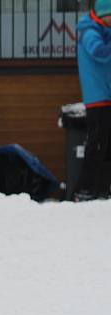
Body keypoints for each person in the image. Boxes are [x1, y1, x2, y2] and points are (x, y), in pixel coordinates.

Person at [74, 0, 111, 201]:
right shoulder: (89, 32)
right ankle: (84, 189)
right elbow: (99, 52)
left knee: (106, 146)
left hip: (106, 97)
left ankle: (102, 190)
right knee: (96, 145)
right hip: (97, 98)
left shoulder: (104, 30)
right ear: (105, 14)